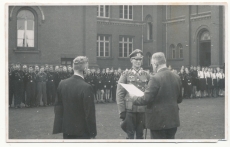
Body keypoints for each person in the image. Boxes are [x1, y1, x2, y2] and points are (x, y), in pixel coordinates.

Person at [130, 52, 183, 139]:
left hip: (158, 121)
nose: (152, 66)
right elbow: (179, 99)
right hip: (173, 120)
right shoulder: (176, 76)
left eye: (152, 64)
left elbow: (146, 99)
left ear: (155, 64)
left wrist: (133, 98)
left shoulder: (155, 78)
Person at [53, 56, 97, 139]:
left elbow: (58, 108)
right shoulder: (86, 87)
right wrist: (92, 133)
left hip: (67, 130)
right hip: (82, 132)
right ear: (85, 68)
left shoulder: (62, 84)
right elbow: (89, 113)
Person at [116, 49, 150, 139]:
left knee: (140, 135)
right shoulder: (125, 74)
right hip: (129, 110)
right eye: (136, 59)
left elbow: (150, 91)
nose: (138, 62)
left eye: (140, 59)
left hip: (142, 110)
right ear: (131, 60)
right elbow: (119, 94)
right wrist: (122, 111)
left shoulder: (146, 74)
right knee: (130, 135)